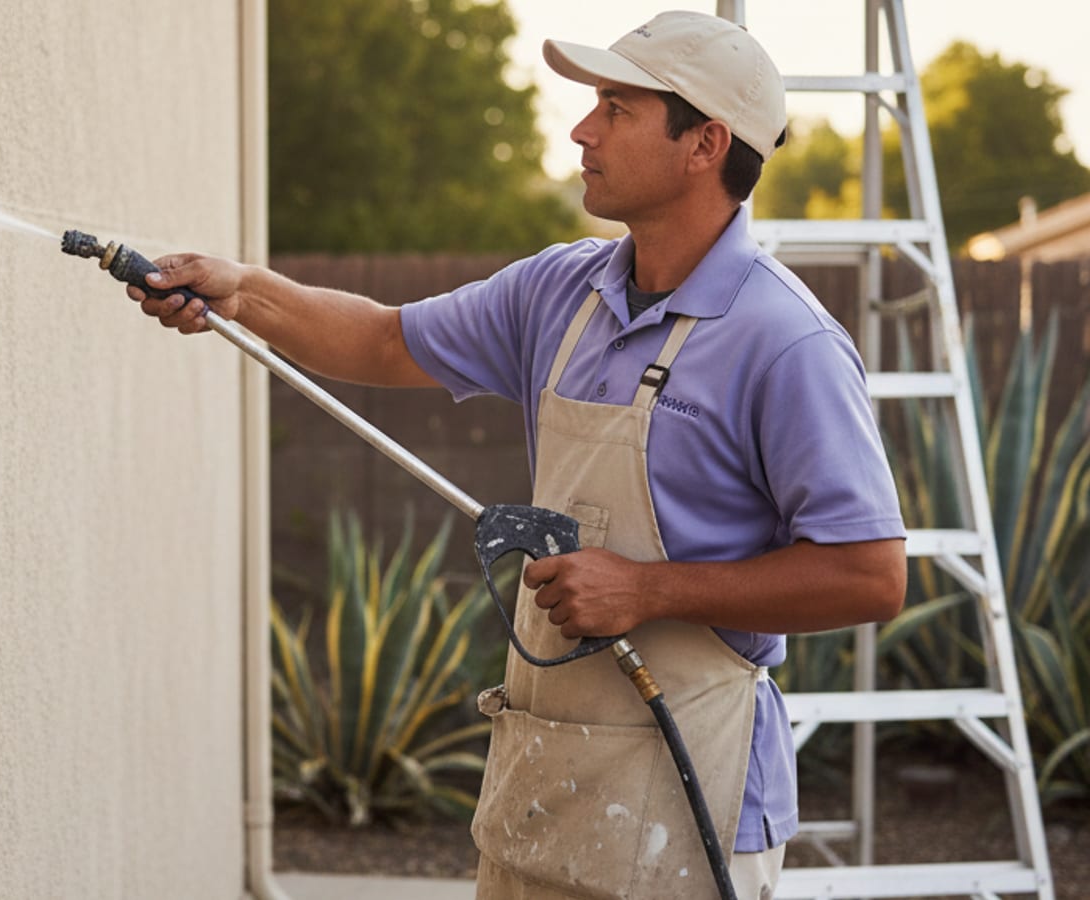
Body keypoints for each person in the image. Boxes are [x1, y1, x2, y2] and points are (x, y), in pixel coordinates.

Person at [129, 11, 907, 899]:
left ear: (706, 143)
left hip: (698, 808)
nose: (583, 129)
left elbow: (870, 575)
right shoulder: (560, 290)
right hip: (543, 789)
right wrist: (246, 292)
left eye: (615, 107)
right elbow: (386, 341)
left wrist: (648, 589)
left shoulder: (786, 341)